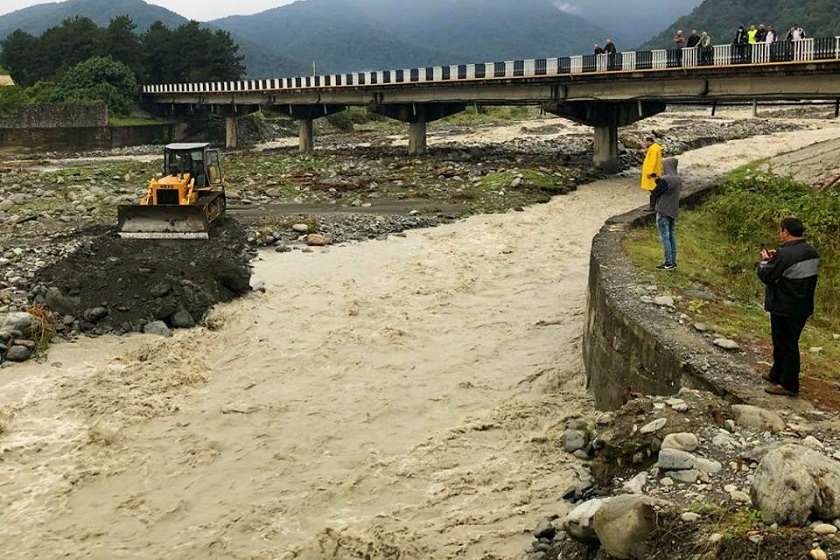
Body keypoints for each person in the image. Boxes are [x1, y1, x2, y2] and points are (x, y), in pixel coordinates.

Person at [757, 217, 820, 397]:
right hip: (802, 305)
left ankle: (789, 385)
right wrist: (777, 259)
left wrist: (765, 262)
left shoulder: (785, 254)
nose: (780, 234)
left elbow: (767, 276)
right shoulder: (812, 252)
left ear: (785, 231)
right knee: (785, 341)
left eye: (780, 230)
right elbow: (793, 270)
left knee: (786, 344)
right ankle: (776, 374)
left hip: (784, 305)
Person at [649, 158, 681, 270]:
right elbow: (667, 189)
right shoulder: (677, 179)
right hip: (673, 211)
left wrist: (651, 207)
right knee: (672, 237)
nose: (663, 168)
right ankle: (673, 262)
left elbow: (655, 193)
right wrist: (657, 180)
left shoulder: (666, 179)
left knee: (665, 237)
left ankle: (668, 262)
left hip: (663, 210)